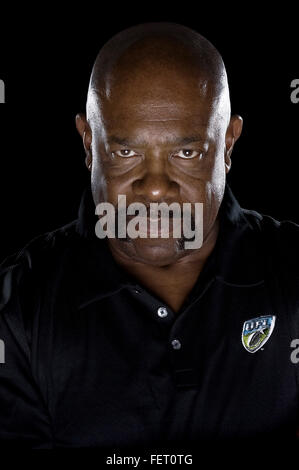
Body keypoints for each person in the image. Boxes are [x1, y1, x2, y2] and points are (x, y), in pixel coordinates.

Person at [0, 22, 298, 450]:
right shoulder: (18, 311)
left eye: (186, 152)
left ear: (228, 144)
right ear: (88, 143)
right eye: (125, 152)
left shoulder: (292, 272)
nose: (155, 187)